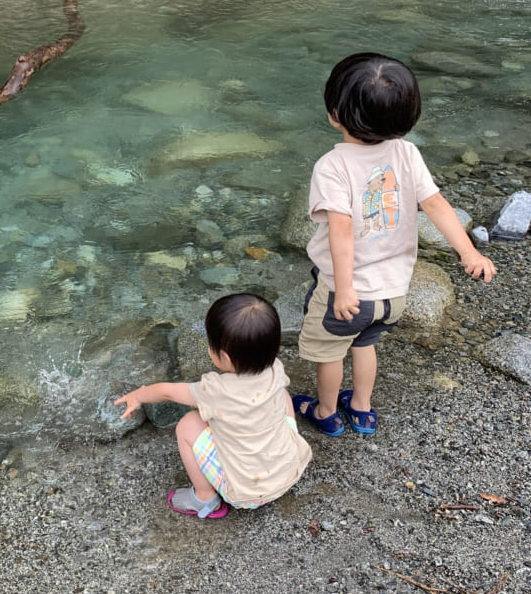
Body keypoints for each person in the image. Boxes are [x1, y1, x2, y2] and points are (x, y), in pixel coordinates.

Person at [294, 52, 496, 438]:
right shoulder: (407, 152)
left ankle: (324, 411)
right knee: (365, 345)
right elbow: (436, 205)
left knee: (331, 352)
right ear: (408, 117)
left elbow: (340, 231)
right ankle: (362, 409)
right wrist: (469, 252)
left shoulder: (332, 166)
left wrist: (345, 289)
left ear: (334, 112)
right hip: (393, 293)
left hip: (348, 292)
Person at [114, 293, 313, 519]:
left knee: (188, 424)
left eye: (211, 343)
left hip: (247, 494)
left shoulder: (215, 390)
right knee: (283, 394)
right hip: (290, 471)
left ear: (225, 358)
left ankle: (204, 498)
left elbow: (167, 391)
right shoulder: (275, 369)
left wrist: (139, 395)